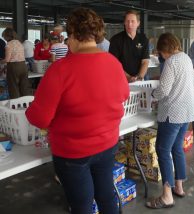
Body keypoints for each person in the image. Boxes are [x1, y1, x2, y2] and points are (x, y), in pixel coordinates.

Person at [25, 7, 129, 214]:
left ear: (73, 35)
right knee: (106, 195)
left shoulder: (60, 70)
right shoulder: (114, 64)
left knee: (81, 205)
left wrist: (31, 110)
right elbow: (124, 96)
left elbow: (40, 118)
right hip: (107, 144)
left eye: (68, 37)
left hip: (73, 153)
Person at [146, 33, 194, 209]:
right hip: (187, 112)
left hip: (172, 114)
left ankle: (167, 195)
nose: (161, 55)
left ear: (164, 49)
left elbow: (164, 90)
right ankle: (179, 187)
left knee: (162, 149)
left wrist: (152, 95)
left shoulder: (171, 62)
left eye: (161, 52)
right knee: (177, 148)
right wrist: (185, 95)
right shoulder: (186, 59)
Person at [109, 10, 149, 82]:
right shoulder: (116, 40)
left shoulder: (143, 39)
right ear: (124, 23)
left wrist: (139, 77)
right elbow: (114, 64)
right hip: (120, 79)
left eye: (132, 21)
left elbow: (145, 61)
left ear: (138, 23)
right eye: (127, 21)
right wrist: (128, 78)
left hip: (138, 80)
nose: (129, 24)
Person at [0, 27, 30, 98]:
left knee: (13, 87)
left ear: (7, 36)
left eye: (4, 36)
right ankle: (26, 104)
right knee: (24, 87)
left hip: (14, 67)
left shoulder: (9, 44)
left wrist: (1, 61)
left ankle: (15, 106)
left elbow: (7, 59)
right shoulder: (19, 43)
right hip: (23, 66)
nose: (4, 38)